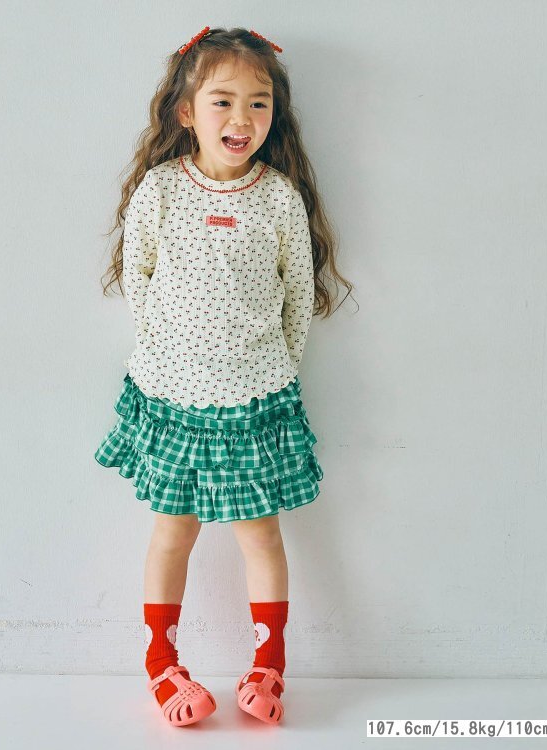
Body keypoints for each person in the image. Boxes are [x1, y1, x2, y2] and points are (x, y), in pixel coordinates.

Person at [94, 25, 354, 727]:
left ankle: (268, 667)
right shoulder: (161, 190)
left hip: (254, 401)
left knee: (260, 535)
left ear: (274, 114)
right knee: (172, 532)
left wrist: (275, 365)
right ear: (187, 112)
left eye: (258, 103)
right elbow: (139, 275)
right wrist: (166, 351)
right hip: (172, 397)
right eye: (223, 101)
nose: (242, 118)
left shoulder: (279, 198)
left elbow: (297, 293)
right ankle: (161, 663)